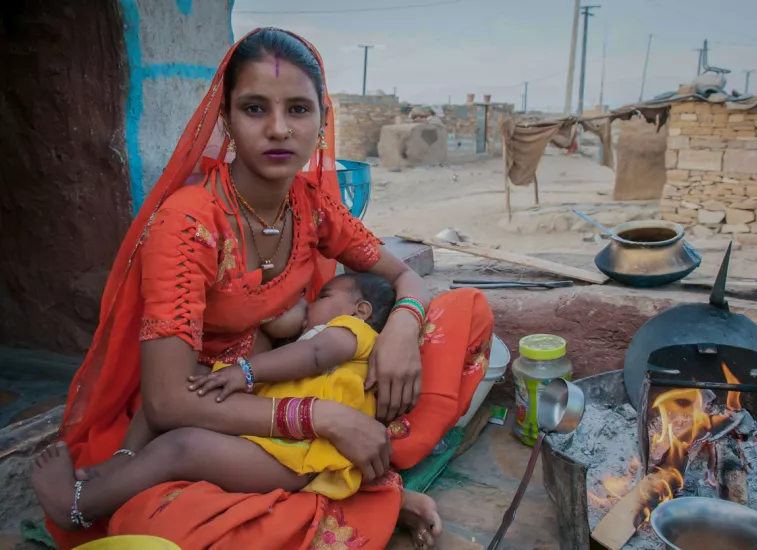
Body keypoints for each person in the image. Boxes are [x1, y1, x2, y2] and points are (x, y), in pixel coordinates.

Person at [49, 28, 494, 550]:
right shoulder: (190, 223)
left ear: (321, 122)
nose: (279, 129)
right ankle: (358, 484)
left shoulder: (310, 206)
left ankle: (353, 467)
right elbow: (168, 403)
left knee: (465, 309)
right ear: (227, 120)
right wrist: (323, 418)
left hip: (294, 385)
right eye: (256, 108)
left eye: (299, 110)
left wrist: (402, 323)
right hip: (211, 406)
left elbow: (406, 277)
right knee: (161, 526)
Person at [33, 273, 404, 526]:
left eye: (324, 295)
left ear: (361, 310)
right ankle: (122, 461)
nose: (311, 303)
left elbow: (315, 355)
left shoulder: (352, 332)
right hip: (275, 440)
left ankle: (79, 507)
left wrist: (247, 372)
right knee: (177, 383)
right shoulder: (318, 337)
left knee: (183, 447)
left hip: (297, 459)